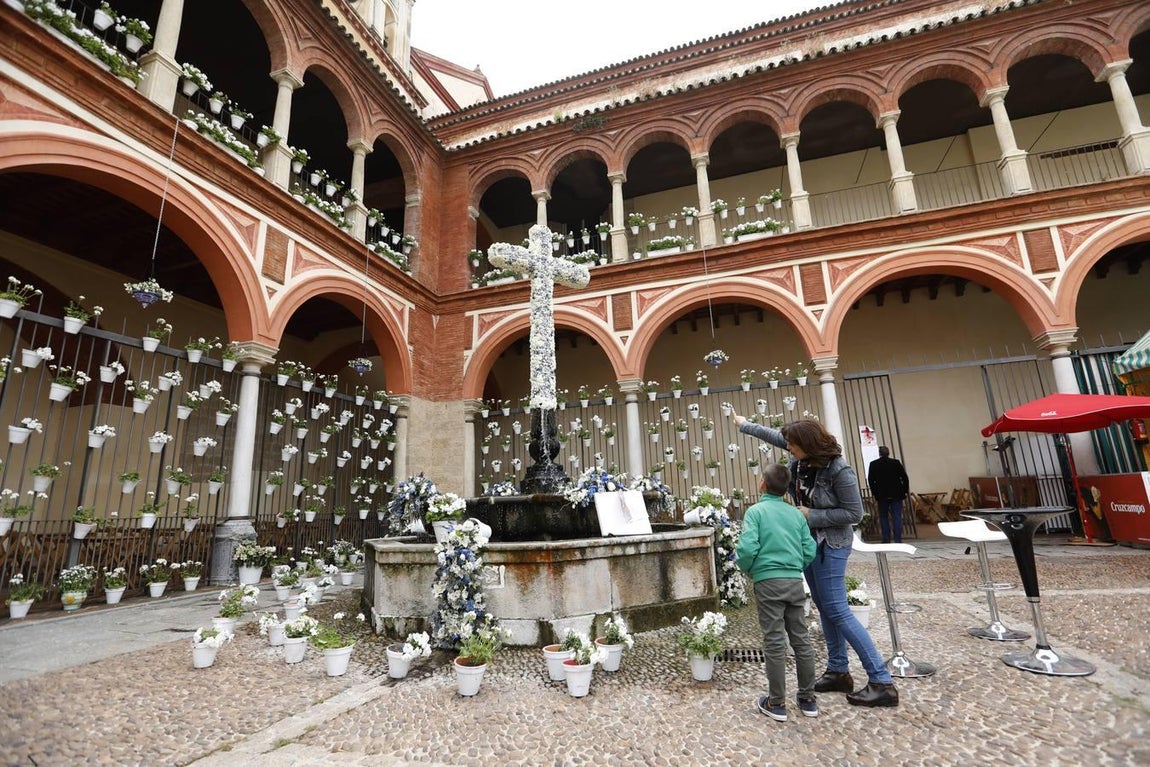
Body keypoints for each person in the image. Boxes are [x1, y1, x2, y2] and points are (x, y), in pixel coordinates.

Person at [731, 413, 899, 708]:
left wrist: (812, 515)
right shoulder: (801, 458)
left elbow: (854, 514)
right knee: (824, 609)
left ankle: (881, 681)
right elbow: (775, 436)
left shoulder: (840, 471)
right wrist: (745, 425)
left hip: (831, 545)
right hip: (808, 542)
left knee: (837, 609)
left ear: (808, 445)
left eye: (793, 446)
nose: (789, 450)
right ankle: (838, 671)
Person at [736, 463, 818, 722]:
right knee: (801, 639)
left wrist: (750, 569)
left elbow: (747, 548)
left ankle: (776, 701)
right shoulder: (796, 515)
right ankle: (807, 699)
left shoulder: (755, 512)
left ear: (762, 483)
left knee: (773, 641)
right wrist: (794, 565)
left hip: (767, 581)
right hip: (794, 581)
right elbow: (810, 549)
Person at [867, 446, 910, 544]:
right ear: (888, 453)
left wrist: (875, 493)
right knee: (897, 516)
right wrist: (904, 491)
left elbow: (871, 480)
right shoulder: (896, 463)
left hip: (882, 495)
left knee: (883, 517)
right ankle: (898, 538)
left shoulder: (874, 464)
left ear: (879, 453)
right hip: (896, 494)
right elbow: (904, 477)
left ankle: (886, 538)